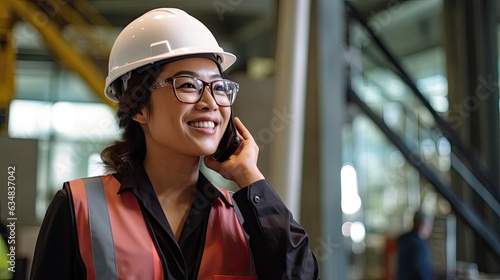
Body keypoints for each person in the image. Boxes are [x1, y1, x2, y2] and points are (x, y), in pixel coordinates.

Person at [30, 7, 319, 280]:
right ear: (139, 107)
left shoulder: (246, 216)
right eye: (188, 85)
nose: (210, 103)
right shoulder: (79, 207)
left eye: (219, 88)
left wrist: (249, 177)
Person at [396, 210, 434, 280]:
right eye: (429, 226)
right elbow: (421, 271)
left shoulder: (405, 241)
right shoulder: (419, 246)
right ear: (422, 225)